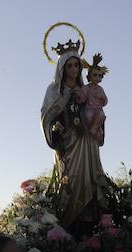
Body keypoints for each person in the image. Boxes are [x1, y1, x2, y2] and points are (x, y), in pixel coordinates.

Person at [41, 42, 110, 231]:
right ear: (62, 67)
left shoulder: (86, 89)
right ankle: (68, 222)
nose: (73, 69)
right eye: (69, 65)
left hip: (86, 139)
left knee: (89, 177)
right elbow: (46, 115)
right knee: (70, 179)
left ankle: (90, 218)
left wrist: (96, 125)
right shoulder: (54, 90)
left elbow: (98, 108)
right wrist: (62, 106)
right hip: (67, 141)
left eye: (76, 65)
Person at [75, 53, 108, 145]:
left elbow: (105, 102)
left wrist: (103, 98)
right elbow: (82, 98)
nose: (97, 77)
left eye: (99, 75)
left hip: (98, 110)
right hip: (89, 109)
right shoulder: (86, 88)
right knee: (88, 116)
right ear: (89, 76)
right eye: (95, 75)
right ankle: (92, 131)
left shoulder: (100, 89)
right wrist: (79, 95)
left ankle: (95, 129)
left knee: (101, 115)